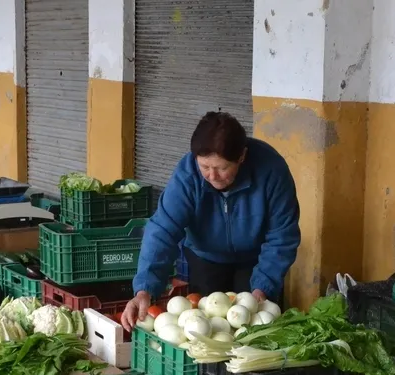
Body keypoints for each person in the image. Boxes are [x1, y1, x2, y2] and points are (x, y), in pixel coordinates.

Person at [121, 111, 302, 331]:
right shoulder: (188, 175)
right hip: (205, 258)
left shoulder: (272, 171)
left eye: (222, 168)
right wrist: (145, 290)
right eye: (205, 167)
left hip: (257, 260)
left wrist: (261, 290)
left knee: (253, 328)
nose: (212, 176)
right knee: (207, 327)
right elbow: (162, 230)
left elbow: (282, 236)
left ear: (242, 156)